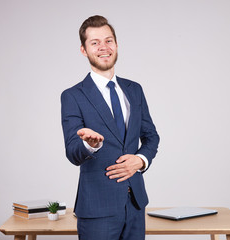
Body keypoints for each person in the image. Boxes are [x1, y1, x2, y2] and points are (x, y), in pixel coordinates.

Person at [61, 15, 159, 240]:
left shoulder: (134, 90)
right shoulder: (73, 96)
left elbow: (151, 136)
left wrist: (140, 160)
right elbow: (72, 151)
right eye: (94, 43)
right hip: (97, 208)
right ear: (84, 50)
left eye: (108, 40)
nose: (103, 47)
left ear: (116, 45)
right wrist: (89, 145)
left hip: (135, 204)